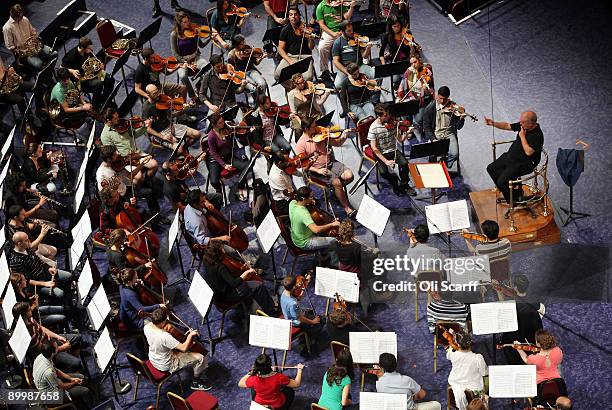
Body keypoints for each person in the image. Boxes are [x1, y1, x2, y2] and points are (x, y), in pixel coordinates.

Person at [295, 118, 355, 215]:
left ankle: (336, 191)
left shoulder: (321, 134)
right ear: (306, 128)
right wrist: (318, 171)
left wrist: (345, 135)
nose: (317, 128)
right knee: (337, 182)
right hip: (317, 170)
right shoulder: (300, 145)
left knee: (349, 176)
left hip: (330, 163)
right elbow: (302, 166)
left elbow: (338, 143)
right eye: (314, 127)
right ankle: (346, 207)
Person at [202, 240, 278, 316]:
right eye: (222, 249)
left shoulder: (206, 260)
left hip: (219, 295)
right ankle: (271, 310)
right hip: (228, 295)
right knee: (258, 286)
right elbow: (234, 283)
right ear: (217, 253)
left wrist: (241, 270)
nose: (224, 251)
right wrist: (246, 272)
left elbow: (223, 277)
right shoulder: (220, 267)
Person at [143, 307, 211, 390]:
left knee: (174, 348)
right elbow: (184, 348)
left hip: (153, 359)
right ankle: (195, 383)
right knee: (200, 358)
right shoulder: (164, 336)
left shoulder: (147, 327)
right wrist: (190, 335)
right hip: (166, 364)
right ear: (163, 321)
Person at [484, 111, 544, 204]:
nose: (520, 124)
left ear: (531, 123)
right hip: (511, 156)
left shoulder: (538, 135)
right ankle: (515, 194)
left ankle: (514, 201)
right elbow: (508, 126)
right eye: (521, 121)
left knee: (501, 182)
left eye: (523, 122)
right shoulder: (523, 125)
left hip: (524, 163)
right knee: (491, 169)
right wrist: (493, 123)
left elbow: (528, 152)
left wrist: (522, 137)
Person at [12, 302, 84, 372]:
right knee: (77, 363)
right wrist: (62, 348)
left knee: (78, 337)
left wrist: (58, 337)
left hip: (50, 342)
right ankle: (69, 370)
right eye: (29, 310)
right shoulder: (27, 333)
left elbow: (42, 328)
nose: (31, 309)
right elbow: (44, 352)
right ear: (24, 314)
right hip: (48, 353)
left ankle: (72, 355)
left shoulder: (29, 319)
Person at [368, 103, 416, 196]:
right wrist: (386, 161)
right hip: (380, 153)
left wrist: (407, 132)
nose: (389, 117)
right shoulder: (373, 128)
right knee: (384, 173)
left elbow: (400, 139)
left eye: (389, 114)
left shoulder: (393, 123)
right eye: (386, 116)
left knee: (405, 164)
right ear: (379, 116)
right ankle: (394, 182)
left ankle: (404, 185)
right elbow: (374, 148)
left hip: (392, 149)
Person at [9, 232, 72, 300]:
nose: (29, 241)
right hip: (38, 284)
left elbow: (38, 260)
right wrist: (44, 284)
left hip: (44, 273)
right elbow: (26, 281)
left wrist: (48, 268)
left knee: (69, 275)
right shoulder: (15, 261)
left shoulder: (27, 248)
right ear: (19, 243)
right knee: (60, 293)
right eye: (26, 240)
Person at [142, 84, 200, 153]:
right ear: (148, 95)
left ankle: (183, 149)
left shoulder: (162, 98)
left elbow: (171, 114)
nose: (158, 94)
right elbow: (147, 129)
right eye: (154, 94)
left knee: (197, 134)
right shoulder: (146, 108)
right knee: (179, 149)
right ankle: (179, 150)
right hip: (160, 133)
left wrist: (185, 108)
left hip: (170, 125)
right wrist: (162, 137)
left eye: (158, 92)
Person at [60, 36, 114, 110]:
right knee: (99, 83)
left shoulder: (87, 51)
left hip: (92, 74)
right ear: (82, 48)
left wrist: (99, 65)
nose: (90, 49)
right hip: (82, 81)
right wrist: (72, 71)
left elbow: (94, 61)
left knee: (110, 79)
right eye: (88, 48)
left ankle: (105, 99)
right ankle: (96, 107)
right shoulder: (71, 55)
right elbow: (61, 68)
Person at [33, 343, 93, 408]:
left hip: (55, 382)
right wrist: (74, 383)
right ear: (52, 353)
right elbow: (62, 387)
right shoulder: (48, 372)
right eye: (56, 347)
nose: (57, 347)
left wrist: (71, 379)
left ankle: (84, 398)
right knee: (85, 390)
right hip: (52, 396)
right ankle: (90, 406)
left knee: (82, 377)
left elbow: (57, 371)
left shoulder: (41, 356)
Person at [206, 112, 249, 199]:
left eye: (223, 121)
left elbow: (239, 135)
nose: (224, 123)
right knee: (214, 181)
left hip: (228, 156)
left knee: (247, 166)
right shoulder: (211, 136)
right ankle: (219, 192)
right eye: (220, 123)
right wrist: (224, 165)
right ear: (214, 125)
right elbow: (214, 153)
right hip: (216, 159)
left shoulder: (227, 127)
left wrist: (247, 131)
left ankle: (240, 187)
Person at [375, 353, 441, 410]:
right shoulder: (407, 380)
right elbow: (422, 394)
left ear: (382, 368)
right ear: (396, 365)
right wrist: (412, 397)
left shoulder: (379, 384)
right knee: (437, 405)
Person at [238, 353, 303, 409]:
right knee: (289, 390)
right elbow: (297, 384)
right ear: (270, 365)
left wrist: (251, 372)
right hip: (277, 405)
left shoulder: (254, 379)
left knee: (253, 388)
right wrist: (299, 369)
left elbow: (240, 383)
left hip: (260, 404)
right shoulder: (279, 377)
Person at [3, 4, 57, 71]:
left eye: (22, 16)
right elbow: (10, 46)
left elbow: (32, 32)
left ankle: (49, 70)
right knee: (39, 64)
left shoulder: (24, 19)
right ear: (13, 16)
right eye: (19, 17)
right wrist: (20, 51)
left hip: (34, 46)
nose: (21, 18)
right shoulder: (7, 28)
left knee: (54, 53)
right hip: (24, 53)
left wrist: (36, 39)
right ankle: (44, 75)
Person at [422, 86, 465, 169]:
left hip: (449, 134)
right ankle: (435, 170)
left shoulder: (453, 107)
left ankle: (444, 164)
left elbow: (459, 127)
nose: (442, 101)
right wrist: (433, 139)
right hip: (436, 134)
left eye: (444, 99)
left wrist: (462, 118)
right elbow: (426, 127)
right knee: (431, 155)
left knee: (455, 154)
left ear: (448, 97)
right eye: (440, 98)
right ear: (437, 96)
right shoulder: (430, 108)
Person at [280, 275, 327, 352]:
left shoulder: (284, 292)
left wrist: (303, 288)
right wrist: (313, 321)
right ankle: (310, 337)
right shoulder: (293, 303)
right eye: (295, 284)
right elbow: (300, 318)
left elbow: (298, 298)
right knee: (320, 320)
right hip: (296, 322)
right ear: (293, 287)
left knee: (310, 312)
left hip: (289, 315)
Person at [288, 186, 340, 254]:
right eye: (311, 197)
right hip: (305, 242)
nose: (313, 199)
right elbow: (316, 230)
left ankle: (323, 251)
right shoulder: (303, 213)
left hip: (296, 237)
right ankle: (327, 257)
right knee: (334, 241)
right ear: (303, 198)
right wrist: (332, 224)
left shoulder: (292, 203)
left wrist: (309, 201)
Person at [446, 332, 488, 410]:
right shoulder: (477, 358)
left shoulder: (452, 353)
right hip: (473, 390)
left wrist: (452, 338)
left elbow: (448, 355)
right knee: (487, 380)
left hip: (453, 383)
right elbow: (484, 373)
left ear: (458, 345)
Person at [170, 11, 209, 98]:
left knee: (208, 69)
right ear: (179, 23)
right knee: (183, 76)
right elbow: (175, 54)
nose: (188, 24)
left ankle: (199, 88)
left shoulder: (193, 30)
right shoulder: (174, 35)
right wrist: (186, 63)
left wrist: (210, 38)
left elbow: (201, 45)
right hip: (182, 61)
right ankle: (193, 96)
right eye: (185, 22)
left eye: (188, 21)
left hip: (196, 58)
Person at [316, 0, 357, 79]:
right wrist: (333, 34)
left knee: (354, 43)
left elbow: (346, 17)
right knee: (321, 47)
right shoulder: (320, 7)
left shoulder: (340, 3)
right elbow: (321, 24)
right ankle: (325, 71)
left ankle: (355, 66)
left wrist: (351, 7)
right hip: (329, 32)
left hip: (343, 30)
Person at [396, 55, 433, 139]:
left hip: (422, 100)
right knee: (400, 107)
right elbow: (403, 82)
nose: (413, 65)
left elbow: (428, 89)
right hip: (411, 97)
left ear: (419, 60)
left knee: (418, 119)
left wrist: (424, 89)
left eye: (415, 62)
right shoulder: (409, 71)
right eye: (411, 63)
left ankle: (418, 133)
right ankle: (408, 128)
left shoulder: (426, 71)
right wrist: (400, 96)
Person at [331, 21, 375, 93]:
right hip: (346, 69)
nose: (352, 32)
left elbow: (365, 56)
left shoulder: (358, 39)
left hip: (359, 67)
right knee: (337, 85)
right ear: (342, 31)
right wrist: (348, 73)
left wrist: (368, 48)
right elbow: (335, 62)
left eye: (352, 29)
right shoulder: (337, 42)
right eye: (349, 31)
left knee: (375, 74)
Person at [274, 7, 315, 85]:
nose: (293, 16)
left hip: (305, 57)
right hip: (291, 57)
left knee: (307, 78)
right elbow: (280, 49)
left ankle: (302, 90)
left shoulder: (306, 28)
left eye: (295, 14)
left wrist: (310, 39)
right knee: (277, 75)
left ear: (299, 16)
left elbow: (311, 48)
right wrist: (289, 61)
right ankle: (294, 89)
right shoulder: (285, 30)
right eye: (291, 15)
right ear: (288, 17)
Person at [287, 73, 331, 139]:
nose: (303, 84)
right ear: (295, 84)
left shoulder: (310, 89)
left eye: (303, 82)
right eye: (300, 83)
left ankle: (325, 145)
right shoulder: (291, 94)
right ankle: (303, 146)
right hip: (300, 117)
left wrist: (326, 94)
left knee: (322, 129)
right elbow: (294, 112)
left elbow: (319, 102)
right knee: (298, 132)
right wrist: (302, 124)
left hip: (313, 114)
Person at [227, 35, 268, 105]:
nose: (245, 45)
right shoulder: (231, 55)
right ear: (236, 45)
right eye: (242, 44)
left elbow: (256, 63)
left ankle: (262, 102)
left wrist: (262, 58)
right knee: (253, 88)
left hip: (251, 71)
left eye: (244, 42)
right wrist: (238, 77)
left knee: (262, 83)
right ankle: (258, 104)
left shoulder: (248, 48)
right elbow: (231, 70)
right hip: (241, 75)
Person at [380, 16, 416, 88]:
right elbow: (381, 54)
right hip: (396, 61)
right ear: (391, 27)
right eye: (394, 26)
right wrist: (384, 65)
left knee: (408, 81)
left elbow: (413, 52)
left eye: (399, 25)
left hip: (407, 61)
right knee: (393, 80)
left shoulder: (406, 32)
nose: (397, 28)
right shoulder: (388, 35)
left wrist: (412, 46)